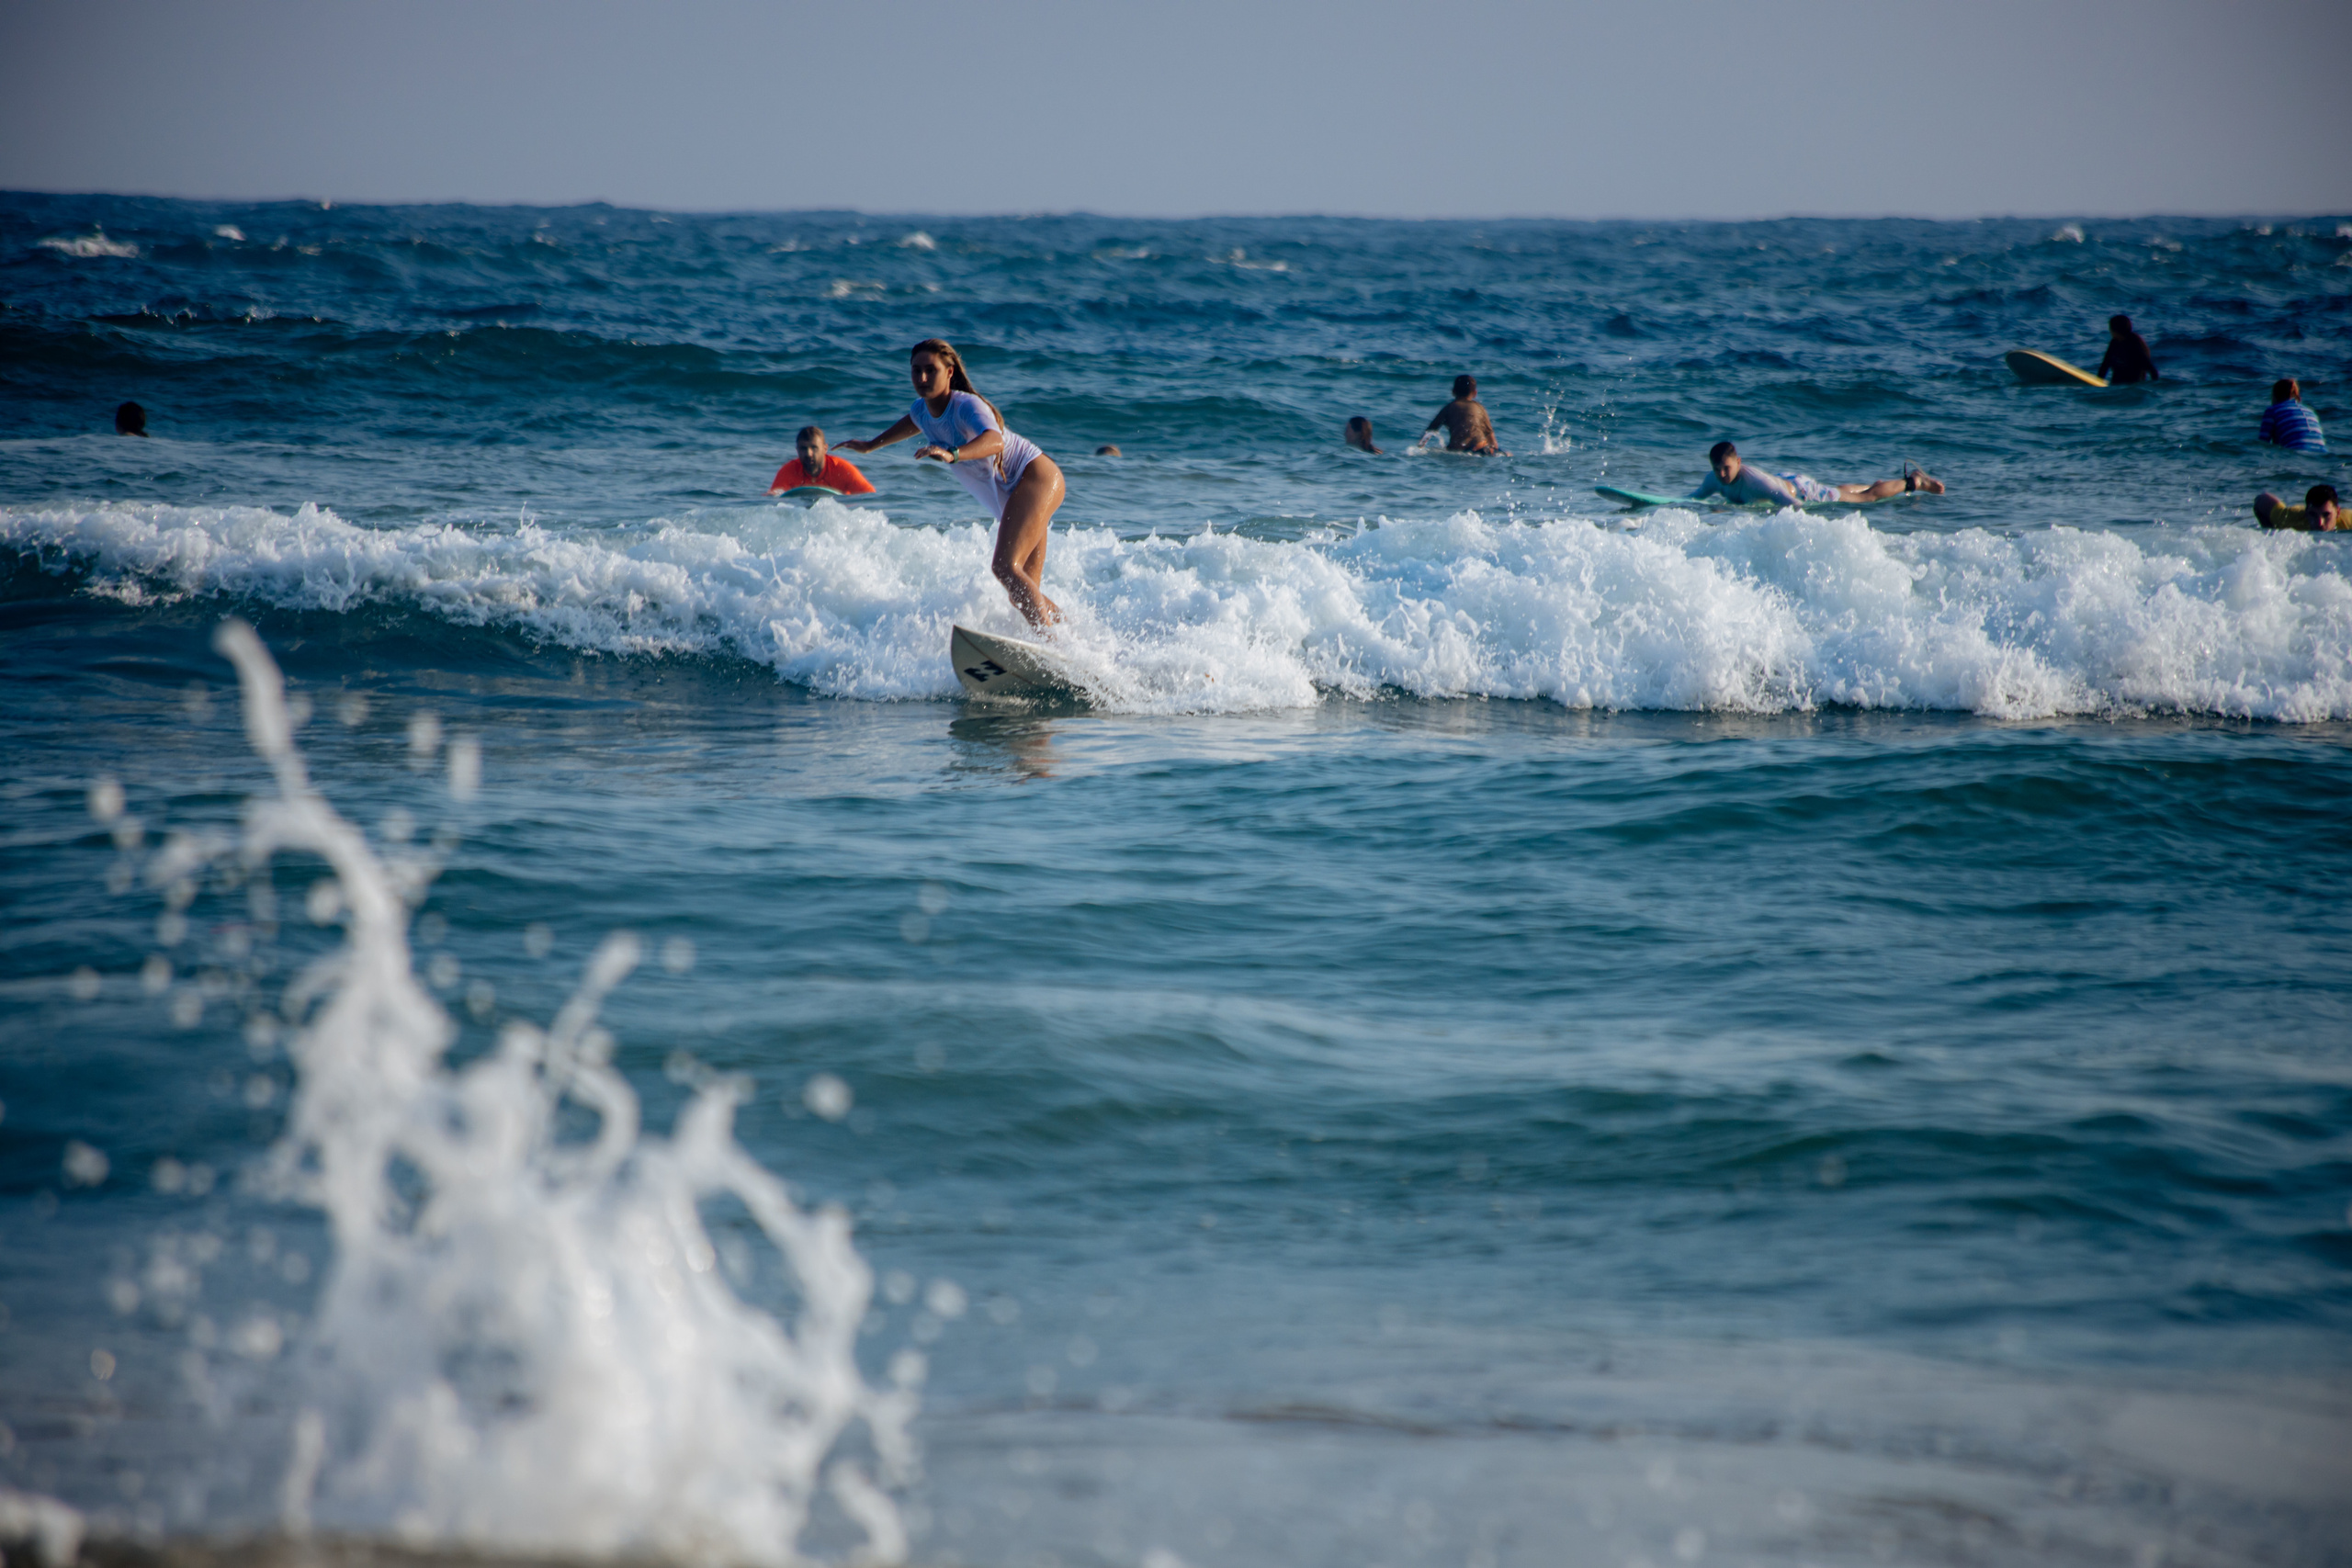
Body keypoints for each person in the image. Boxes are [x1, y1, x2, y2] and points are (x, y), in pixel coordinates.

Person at [837, 338, 1066, 628]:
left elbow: (994, 440)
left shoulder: (967, 406)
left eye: (930, 370)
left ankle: (1051, 647)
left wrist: (953, 454)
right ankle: (1074, 638)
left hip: (1035, 477)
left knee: (1005, 568)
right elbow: (914, 421)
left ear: (949, 371)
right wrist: (870, 445)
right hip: (1015, 492)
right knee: (1020, 589)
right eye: (915, 370)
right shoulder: (922, 410)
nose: (921, 378)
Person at [1689, 441, 1944, 507]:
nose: (1722, 474)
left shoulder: (1755, 482)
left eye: (1727, 468)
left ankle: (1913, 482)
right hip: (1785, 480)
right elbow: (1695, 497)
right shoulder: (1712, 480)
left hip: (1801, 491)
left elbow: (1795, 506)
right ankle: (1876, 484)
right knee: (1840, 492)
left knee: (1867, 499)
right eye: (1717, 469)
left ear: (1738, 462)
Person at [768, 426, 875, 495]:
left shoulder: (842, 469)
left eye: (814, 448)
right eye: (803, 449)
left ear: (825, 449)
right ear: (797, 450)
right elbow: (773, 499)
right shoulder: (788, 471)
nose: (809, 454)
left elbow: (869, 496)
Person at [1422, 376, 1505, 455]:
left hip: (1461, 450)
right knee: (1505, 454)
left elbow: (1429, 431)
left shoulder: (1449, 407)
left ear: (1453, 391)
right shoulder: (1480, 408)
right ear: (1475, 393)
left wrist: (1419, 447)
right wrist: (1495, 449)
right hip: (1481, 447)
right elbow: (1492, 438)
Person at [2258, 379, 2326, 455]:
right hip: (2322, 454)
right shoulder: (2310, 411)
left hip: (2297, 453)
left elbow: (2263, 444)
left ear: (2274, 395)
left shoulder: (2273, 410)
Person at [2097, 315, 2159, 384]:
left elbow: (2152, 370)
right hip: (2115, 387)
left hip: (2132, 388)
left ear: (2115, 330)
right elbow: (2105, 366)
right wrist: (2097, 384)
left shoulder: (2134, 344)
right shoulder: (2114, 342)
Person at [2257, 485, 2341, 531]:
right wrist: (2271, 531)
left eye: (2326, 515)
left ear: (2338, 512)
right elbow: (2260, 500)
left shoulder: (2348, 522)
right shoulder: (2289, 518)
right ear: (2306, 513)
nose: (2319, 523)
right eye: (2313, 515)